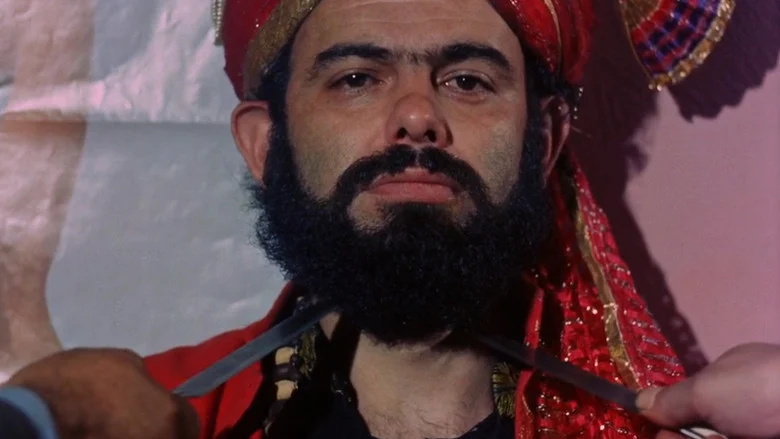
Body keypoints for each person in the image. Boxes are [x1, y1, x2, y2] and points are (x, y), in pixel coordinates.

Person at [3, 0, 778, 438]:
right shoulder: (150, 416)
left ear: (543, 141)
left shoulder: (669, 428)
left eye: (467, 80)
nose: (416, 117)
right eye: (356, 78)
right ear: (266, 144)